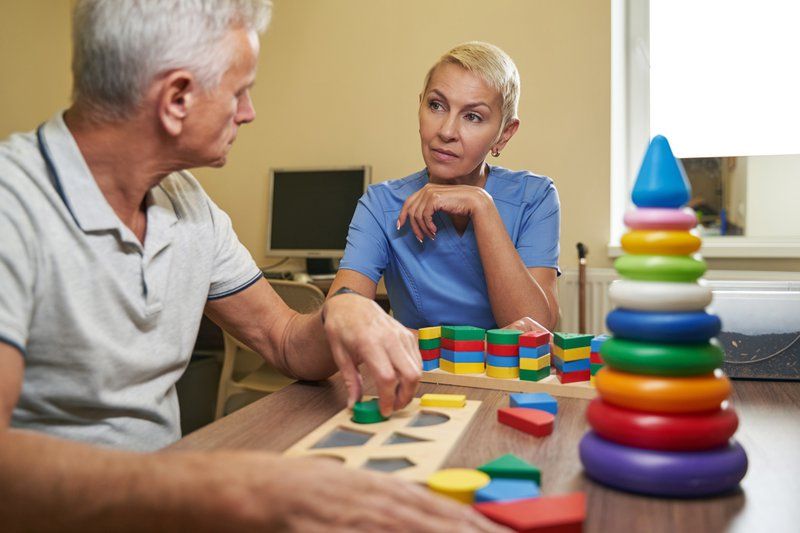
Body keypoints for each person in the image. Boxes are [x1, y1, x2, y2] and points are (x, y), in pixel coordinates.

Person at [0, 2, 502, 530]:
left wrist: (342, 312)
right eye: (240, 92)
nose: (248, 112)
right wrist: (224, 486)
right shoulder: (13, 204)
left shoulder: (187, 204)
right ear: (175, 99)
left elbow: (284, 339)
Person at [331, 42, 560, 332]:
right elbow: (341, 319)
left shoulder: (535, 198)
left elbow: (536, 330)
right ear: (420, 107)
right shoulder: (380, 204)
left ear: (504, 135)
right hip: (418, 374)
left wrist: (482, 206)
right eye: (436, 106)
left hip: (505, 378)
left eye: (473, 116)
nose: (446, 131)